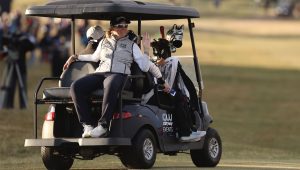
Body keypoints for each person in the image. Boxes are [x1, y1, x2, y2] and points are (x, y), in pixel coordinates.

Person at [63, 16, 170, 138]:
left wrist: (145, 50)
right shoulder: (104, 42)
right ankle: (88, 125)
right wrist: (76, 57)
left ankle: (103, 125)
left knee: (111, 83)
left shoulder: (132, 45)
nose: (124, 29)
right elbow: (94, 57)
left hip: (120, 75)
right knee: (76, 86)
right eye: (120, 26)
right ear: (112, 28)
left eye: (125, 26)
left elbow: (145, 67)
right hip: (101, 73)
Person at [150, 38, 206, 142]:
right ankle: (184, 132)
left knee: (180, 96)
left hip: (157, 92)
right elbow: (169, 87)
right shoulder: (172, 62)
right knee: (180, 97)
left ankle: (190, 129)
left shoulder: (153, 62)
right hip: (162, 93)